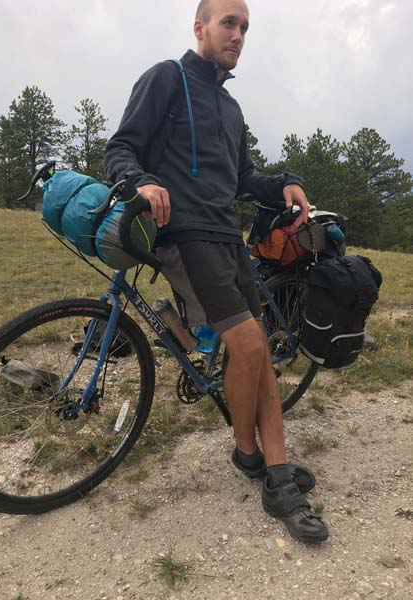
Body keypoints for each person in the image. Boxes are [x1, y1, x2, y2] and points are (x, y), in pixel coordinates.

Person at [105, 0, 328, 544]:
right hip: (185, 236)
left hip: (227, 237)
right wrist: (140, 181)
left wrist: (282, 184)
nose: (239, 34)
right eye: (229, 23)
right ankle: (246, 453)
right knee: (250, 347)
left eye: (246, 26)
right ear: (199, 26)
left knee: (262, 355)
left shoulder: (231, 109)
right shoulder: (166, 77)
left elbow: (244, 179)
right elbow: (120, 147)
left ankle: (275, 476)